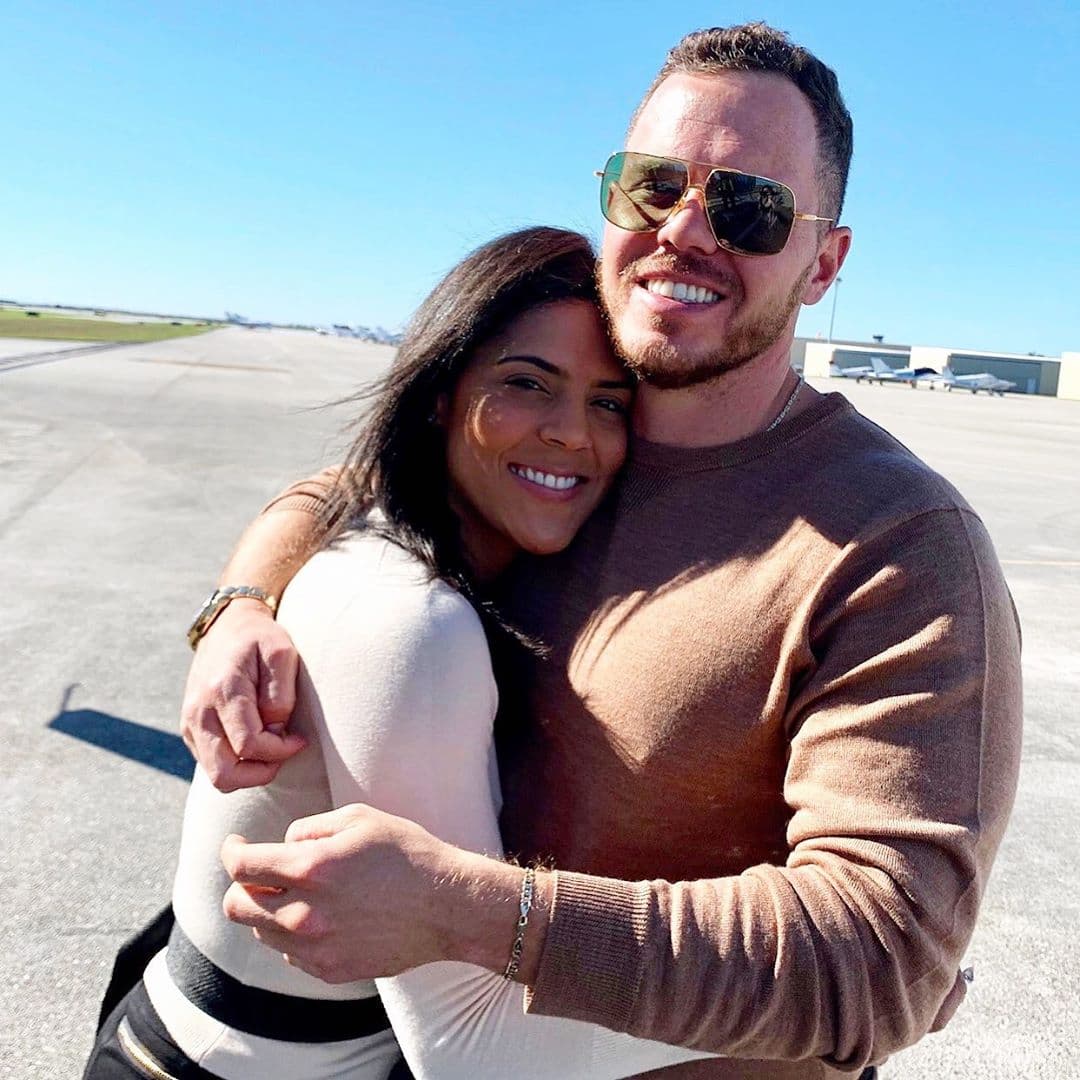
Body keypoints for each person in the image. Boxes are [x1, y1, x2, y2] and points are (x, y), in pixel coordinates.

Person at [182, 23, 1022, 1080]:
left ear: (825, 264)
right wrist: (243, 599)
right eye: (654, 185)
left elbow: (883, 957)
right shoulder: (581, 450)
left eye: (752, 209)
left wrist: (468, 913)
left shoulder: (899, 545)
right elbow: (359, 482)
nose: (687, 228)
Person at [85, 226, 716, 1079]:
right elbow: (475, 1049)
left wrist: (237, 598)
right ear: (438, 395)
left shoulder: (437, 535)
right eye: (528, 384)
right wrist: (823, 997)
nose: (574, 434)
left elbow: (338, 485)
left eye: (608, 401)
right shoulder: (410, 625)